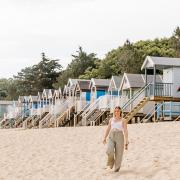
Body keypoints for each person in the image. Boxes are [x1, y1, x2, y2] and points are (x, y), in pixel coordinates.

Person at [103, 106, 129, 172]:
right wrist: (104, 137)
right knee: (109, 150)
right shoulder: (111, 119)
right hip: (111, 135)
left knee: (119, 154)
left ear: (120, 112)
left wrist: (126, 140)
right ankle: (111, 163)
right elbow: (108, 128)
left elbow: (125, 130)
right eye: (115, 111)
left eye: (118, 111)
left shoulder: (123, 120)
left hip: (120, 136)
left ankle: (117, 168)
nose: (116, 112)